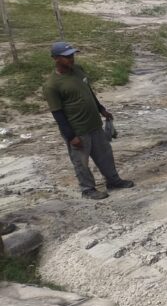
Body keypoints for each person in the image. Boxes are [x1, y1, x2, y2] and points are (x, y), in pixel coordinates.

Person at [43, 42, 134, 200]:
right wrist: (71, 136)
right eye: (67, 57)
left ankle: (113, 181)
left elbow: (89, 92)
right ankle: (87, 189)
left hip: (94, 124)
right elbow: (57, 114)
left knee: (105, 155)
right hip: (78, 129)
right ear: (56, 58)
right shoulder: (51, 85)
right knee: (81, 162)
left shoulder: (78, 70)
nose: (71, 59)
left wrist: (101, 109)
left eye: (72, 55)